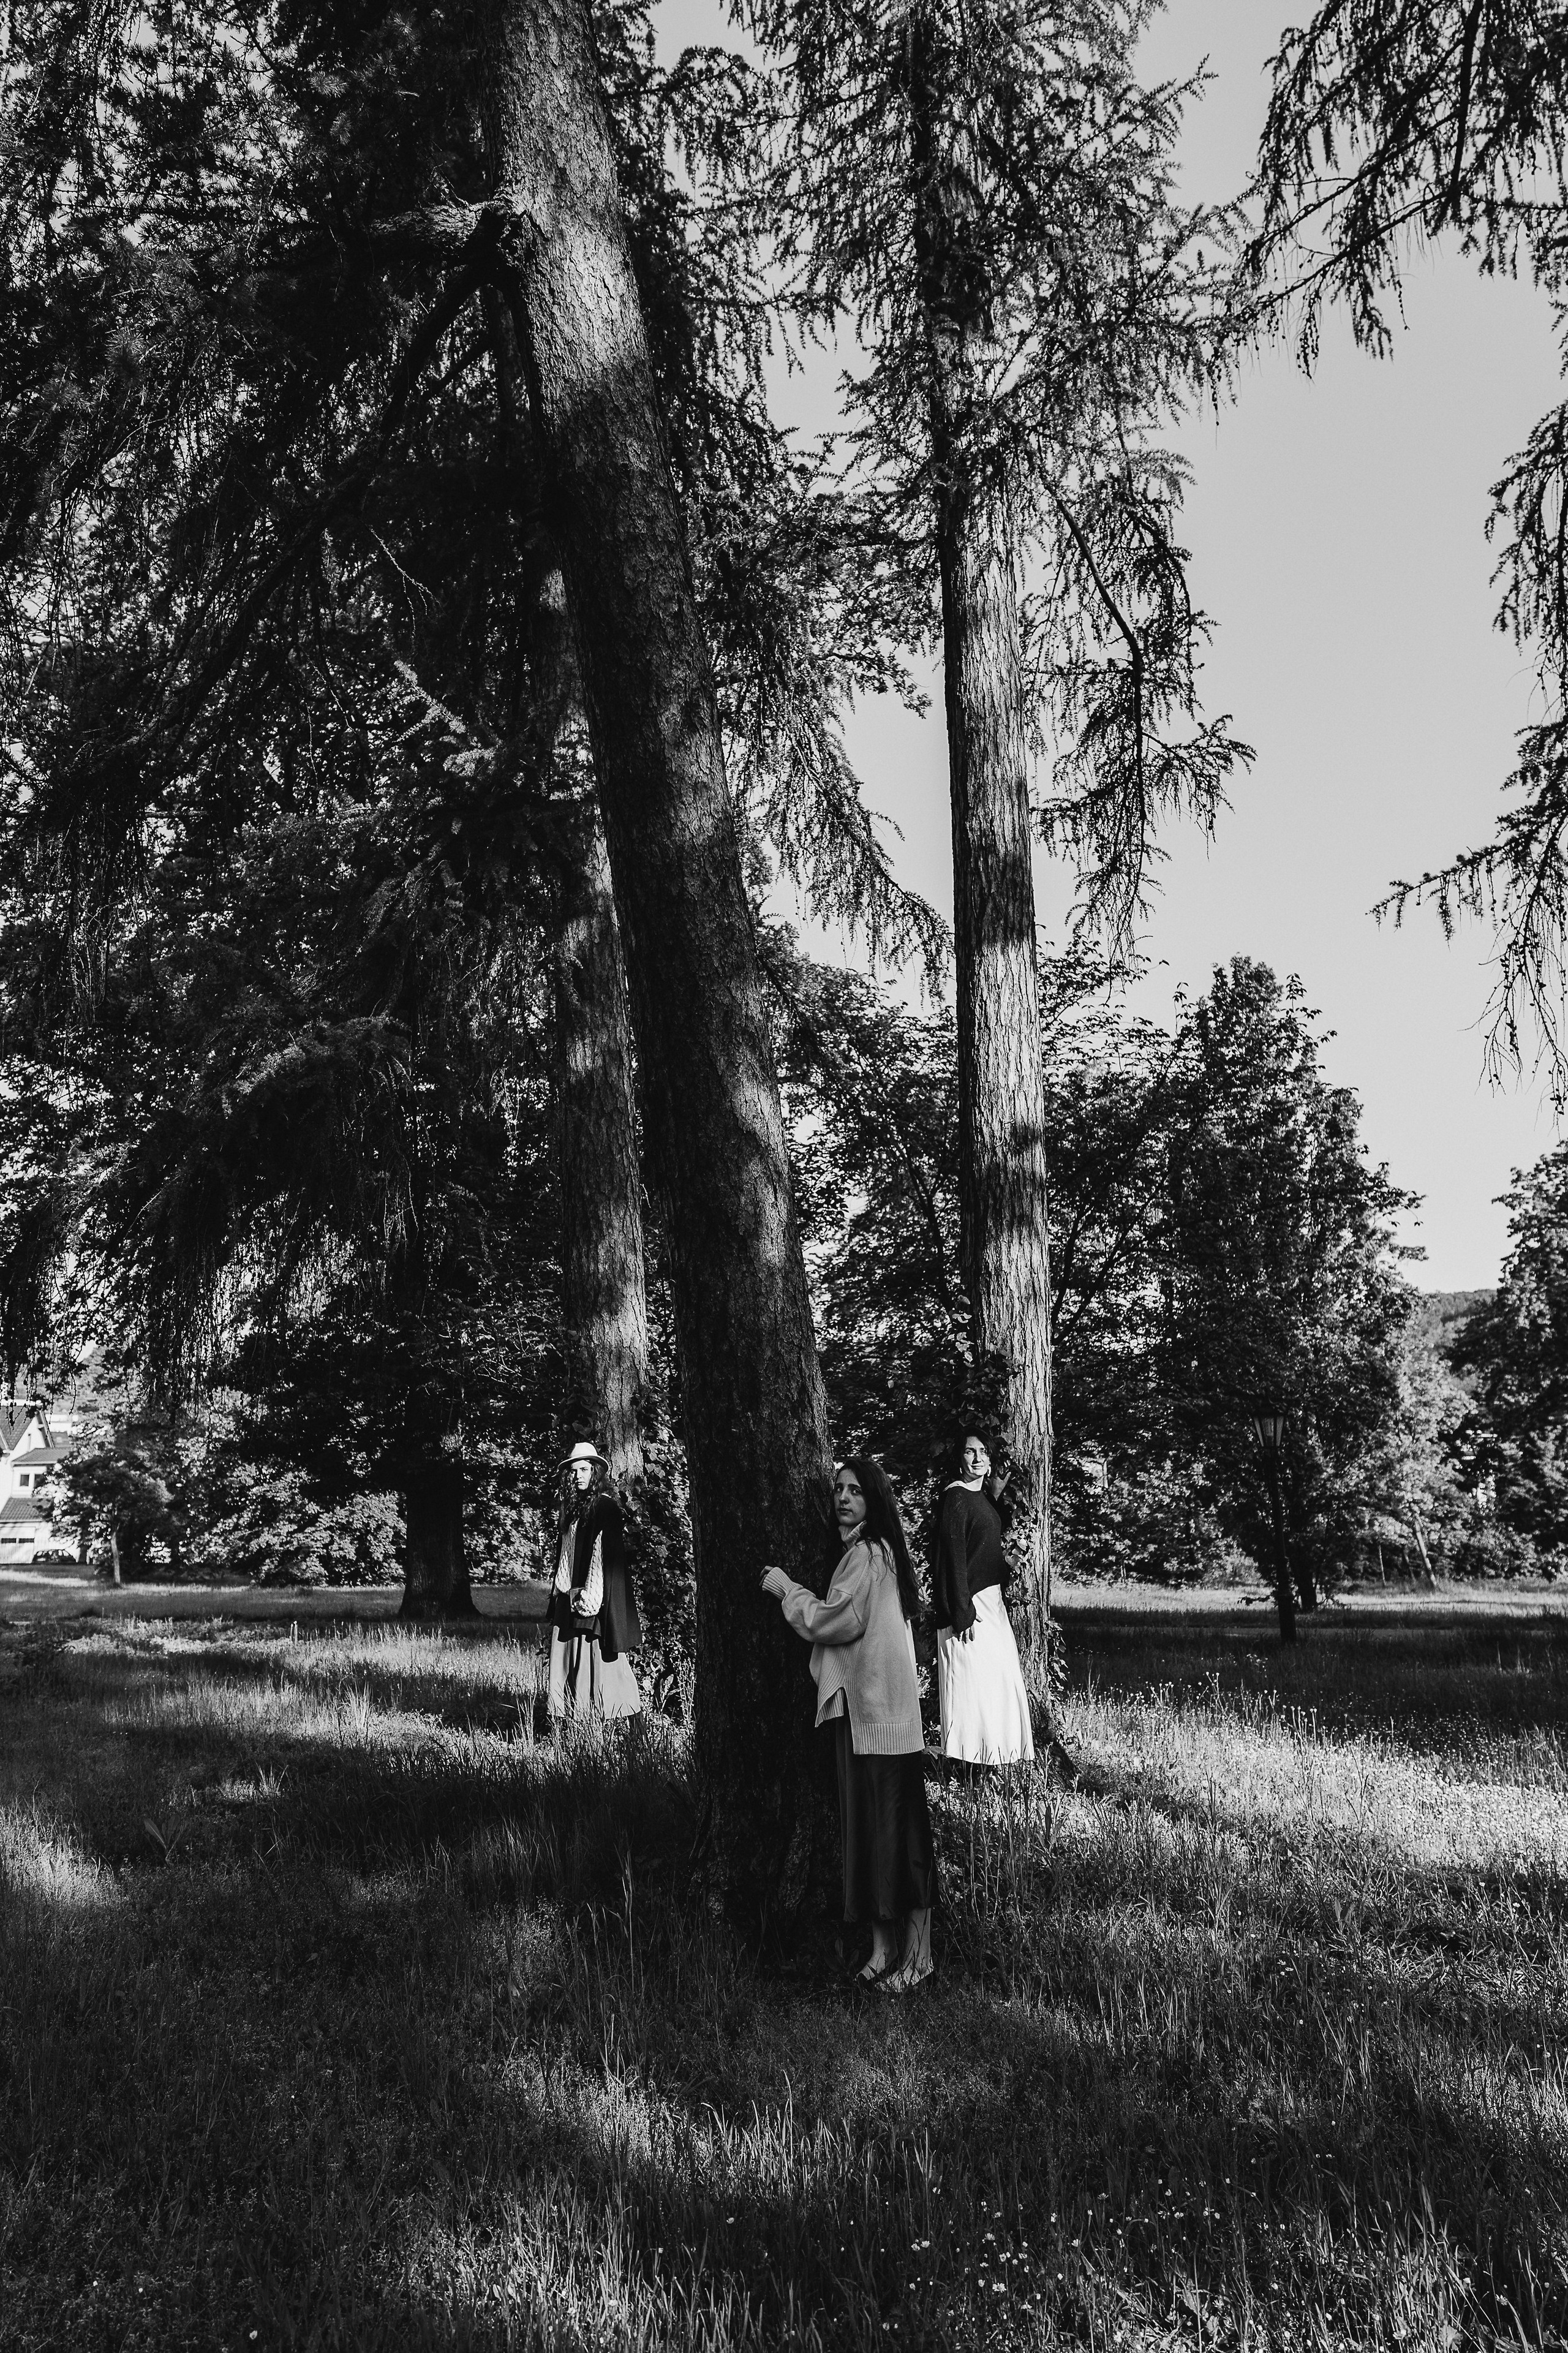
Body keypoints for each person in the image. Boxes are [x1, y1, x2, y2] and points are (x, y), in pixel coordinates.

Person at [761, 1457, 938, 1992]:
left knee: (898, 1838)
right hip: (865, 1716)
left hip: (883, 1720)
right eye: (838, 1489)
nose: (843, 1497)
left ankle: (919, 1957)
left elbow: (832, 1620)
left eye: (856, 1491)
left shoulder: (868, 1555)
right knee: (869, 1835)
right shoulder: (865, 1553)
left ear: (874, 1501)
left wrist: (785, 1587)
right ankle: (884, 1948)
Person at [931, 1431, 1035, 1767]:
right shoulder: (955, 1498)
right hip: (969, 1609)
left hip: (992, 1605)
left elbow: (982, 1558)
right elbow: (953, 1558)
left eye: (983, 1452)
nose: (976, 1458)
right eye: (969, 1452)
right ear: (959, 1458)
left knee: (998, 1685)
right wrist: (961, 1612)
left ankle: (996, 1767)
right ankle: (971, 1773)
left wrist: (1010, 1562)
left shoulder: (984, 1500)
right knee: (972, 1691)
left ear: (990, 1461)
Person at [547, 1439, 643, 1723]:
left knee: (605, 1665)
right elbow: (565, 1552)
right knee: (569, 1657)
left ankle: (627, 1727)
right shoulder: (571, 1508)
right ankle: (576, 1723)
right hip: (570, 1596)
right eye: (575, 1471)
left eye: (585, 1470)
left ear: (595, 1473)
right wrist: (563, 1589)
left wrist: (589, 1598)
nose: (579, 1476)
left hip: (597, 1600)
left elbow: (604, 1556)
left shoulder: (606, 1508)